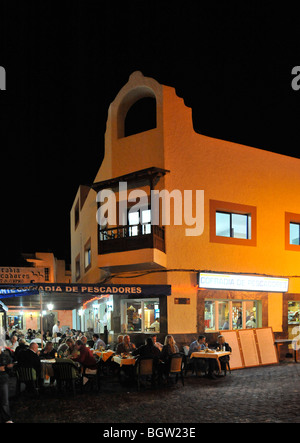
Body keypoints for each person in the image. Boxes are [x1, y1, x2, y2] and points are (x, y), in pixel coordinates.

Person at [0, 341, 14, 423]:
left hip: (3, 379)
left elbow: (10, 366)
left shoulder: (5, 356)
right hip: (3, 376)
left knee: (4, 400)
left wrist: (7, 366)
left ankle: (6, 418)